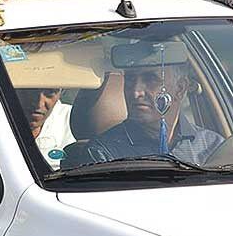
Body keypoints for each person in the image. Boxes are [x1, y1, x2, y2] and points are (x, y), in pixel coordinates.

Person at [81, 60, 224, 166]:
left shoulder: (213, 146)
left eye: (150, 79)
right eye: (130, 79)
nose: (136, 92)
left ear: (180, 89)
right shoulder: (104, 153)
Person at [16, 88, 75, 168]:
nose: (39, 104)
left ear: (61, 92)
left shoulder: (73, 120)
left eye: (50, 92)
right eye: (31, 91)